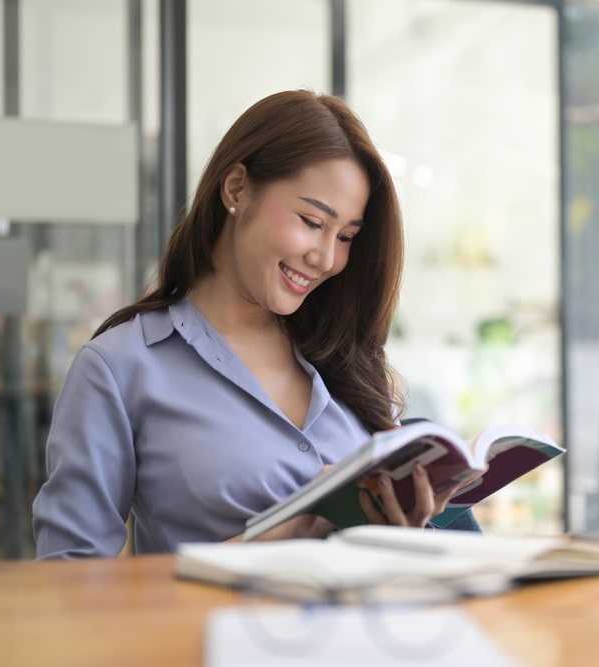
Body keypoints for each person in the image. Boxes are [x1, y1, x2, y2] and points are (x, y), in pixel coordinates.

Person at [32, 90, 474, 559]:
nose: (325, 258)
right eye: (311, 221)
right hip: (208, 634)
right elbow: (70, 582)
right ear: (237, 189)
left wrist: (410, 526)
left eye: (346, 236)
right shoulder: (119, 368)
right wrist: (293, 525)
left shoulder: (345, 361)